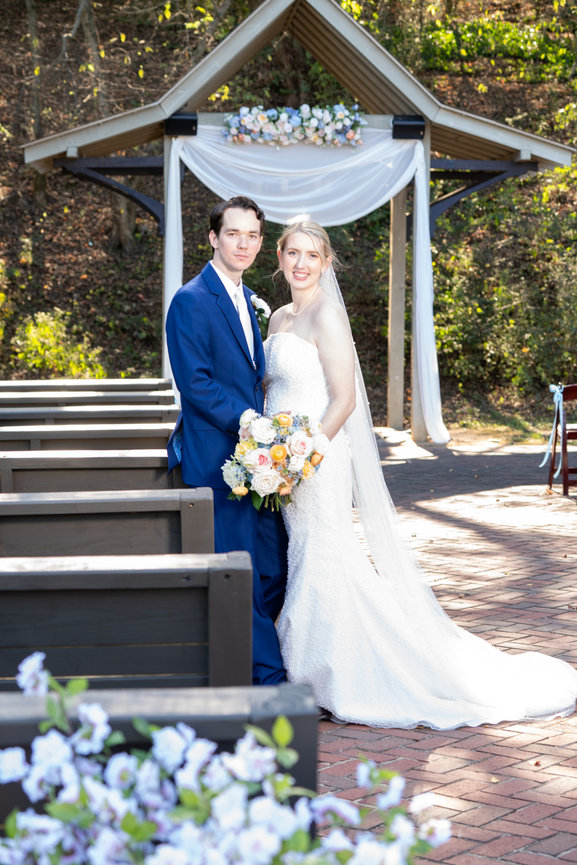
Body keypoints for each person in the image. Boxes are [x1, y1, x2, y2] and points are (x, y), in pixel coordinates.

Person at [264, 220, 577, 728]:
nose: (301, 264)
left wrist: (305, 454)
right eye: (293, 253)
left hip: (317, 460)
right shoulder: (278, 318)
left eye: (312, 255)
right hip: (281, 463)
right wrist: (270, 450)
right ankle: (312, 670)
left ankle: (329, 675)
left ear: (326, 263)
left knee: (323, 556)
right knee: (301, 556)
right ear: (279, 257)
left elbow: (344, 400)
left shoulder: (329, 314)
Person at [166, 196, 288, 686]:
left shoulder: (246, 297)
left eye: (252, 235)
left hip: (258, 461)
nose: (244, 243)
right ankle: (267, 679)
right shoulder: (191, 300)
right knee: (242, 572)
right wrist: (247, 421)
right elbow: (195, 384)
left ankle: (254, 662)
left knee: (273, 568)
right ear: (213, 238)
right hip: (218, 462)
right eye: (233, 233)